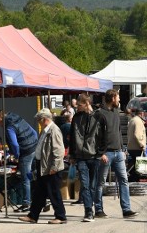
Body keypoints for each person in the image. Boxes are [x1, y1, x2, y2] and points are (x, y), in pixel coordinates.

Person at [18, 109, 67, 224]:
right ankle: (33, 216)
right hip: (43, 165)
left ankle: (61, 216)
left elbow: (59, 150)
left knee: (54, 192)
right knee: (39, 192)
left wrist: (54, 166)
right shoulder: (45, 130)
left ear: (45, 119)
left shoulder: (54, 130)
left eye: (39, 120)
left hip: (51, 167)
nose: (38, 123)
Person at [93, 89, 137, 219]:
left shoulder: (116, 113)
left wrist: (123, 149)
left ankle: (126, 209)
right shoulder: (99, 114)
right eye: (118, 97)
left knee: (124, 180)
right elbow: (94, 136)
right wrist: (100, 153)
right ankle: (99, 210)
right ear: (112, 98)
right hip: (106, 154)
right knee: (100, 182)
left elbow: (118, 132)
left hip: (118, 153)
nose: (119, 100)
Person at [0, 109, 39, 212]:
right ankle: (39, 200)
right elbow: (34, 132)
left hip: (26, 153)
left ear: (1, 118)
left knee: (25, 179)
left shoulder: (9, 127)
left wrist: (17, 155)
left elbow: (14, 144)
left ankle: (26, 203)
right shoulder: (18, 119)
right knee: (33, 176)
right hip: (34, 148)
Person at [68, 94, 102, 222]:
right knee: (85, 184)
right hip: (80, 156)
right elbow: (72, 136)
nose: (77, 108)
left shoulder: (98, 116)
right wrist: (72, 154)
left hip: (94, 156)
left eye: (79, 105)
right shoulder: (76, 117)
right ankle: (88, 211)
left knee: (92, 185)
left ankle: (93, 207)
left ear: (86, 104)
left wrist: (101, 152)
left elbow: (103, 136)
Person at [126, 101, 147, 181]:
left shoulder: (132, 120)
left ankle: (132, 179)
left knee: (133, 165)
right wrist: (141, 145)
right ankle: (134, 180)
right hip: (137, 147)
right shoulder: (138, 121)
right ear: (141, 113)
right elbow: (137, 135)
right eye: (143, 113)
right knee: (137, 166)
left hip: (131, 146)